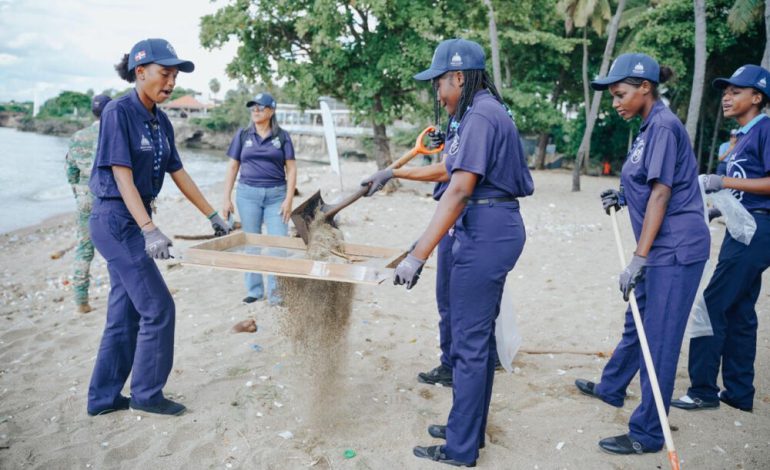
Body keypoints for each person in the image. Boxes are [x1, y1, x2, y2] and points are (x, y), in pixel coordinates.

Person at [366, 38, 533, 467]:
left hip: (487, 228)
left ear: (459, 76)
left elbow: (458, 189)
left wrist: (417, 255)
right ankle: (468, 429)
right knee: (469, 339)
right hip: (485, 225)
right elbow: (447, 168)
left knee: (471, 343)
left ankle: (460, 449)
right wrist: (397, 171)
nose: (437, 93)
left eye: (439, 83)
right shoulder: (476, 113)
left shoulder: (481, 116)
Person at [572, 53, 710, 455]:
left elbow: (663, 193)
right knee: (637, 320)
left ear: (645, 87)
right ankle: (613, 387)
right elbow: (649, 185)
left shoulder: (663, 127)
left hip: (674, 251)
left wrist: (639, 258)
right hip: (659, 250)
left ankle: (648, 433)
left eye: (620, 94)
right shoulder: (648, 128)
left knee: (660, 341)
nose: (615, 102)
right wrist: (624, 194)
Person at [87, 38, 230, 417]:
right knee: (158, 308)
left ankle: (102, 399)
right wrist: (150, 229)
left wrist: (213, 216)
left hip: (132, 220)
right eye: (165, 74)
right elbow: (121, 176)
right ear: (140, 72)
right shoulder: (119, 112)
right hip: (116, 221)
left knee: (126, 313)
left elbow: (178, 171)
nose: (171, 82)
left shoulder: (160, 119)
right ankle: (148, 395)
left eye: (174, 76)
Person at [672, 64, 770, 414]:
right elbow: (749, 186)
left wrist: (724, 182)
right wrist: (721, 209)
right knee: (741, 311)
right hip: (743, 226)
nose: (727, 97)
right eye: (725, 91)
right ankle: (739, 393)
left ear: (757, 97)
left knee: (711, 307)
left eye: (736, 91)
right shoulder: (742, 135)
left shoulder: (766, 130)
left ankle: (702, 391)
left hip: (756, 231)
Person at [222, 92, 296, 307]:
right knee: (251, 244)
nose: (255, 111)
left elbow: (291, 169)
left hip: (277, 196)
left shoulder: (282, 137)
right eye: (252, 107)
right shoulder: (243, 135)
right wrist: (226, 198)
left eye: (260, 107)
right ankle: (254, 291)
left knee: (278, 245)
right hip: (247, 195)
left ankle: (276, 294)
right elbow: (233, 166)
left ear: (271, 111)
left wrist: (289, 199)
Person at [65, 94, 111, 314]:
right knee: (118, 248)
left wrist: (78, 193)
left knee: (84, 250)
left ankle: (81, 302)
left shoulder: (78, 136)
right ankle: (123, 295)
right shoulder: (115, 135)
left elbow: (71, 172)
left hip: (84, 197)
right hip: (109, 198)